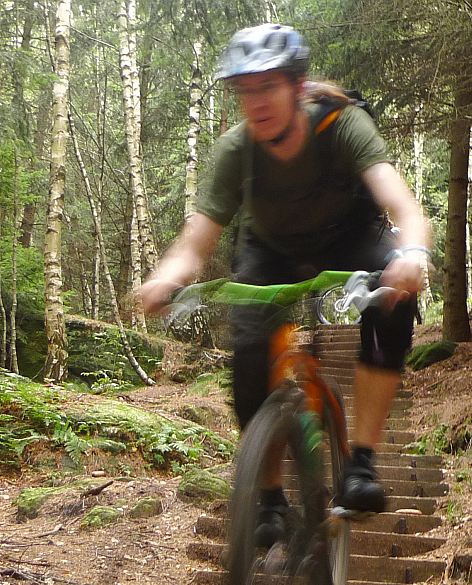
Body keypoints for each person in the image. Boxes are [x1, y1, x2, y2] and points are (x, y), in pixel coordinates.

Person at [135, 23, 431, 534]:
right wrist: (165, 279)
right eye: (244, 91)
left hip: (349, 235)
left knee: (393, 304)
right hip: (269, 249)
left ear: (297, 87)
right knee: (250, 354)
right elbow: (196, 241)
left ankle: (361, 461)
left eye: (267, 86)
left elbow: (400, 201)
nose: (255, 102)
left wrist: (412, 252)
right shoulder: (236, 149)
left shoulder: (342, 124)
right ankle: (269, 498)